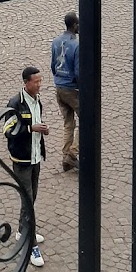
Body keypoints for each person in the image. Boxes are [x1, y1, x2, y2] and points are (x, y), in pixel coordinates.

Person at [3, 66, 49, 268]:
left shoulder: (37, 100)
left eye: (40, 81)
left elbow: (36, 123)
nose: (39, 85)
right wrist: (31, 128)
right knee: (28, 201)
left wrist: (42, 130)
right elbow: (8, 130)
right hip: (22, 161)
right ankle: (30, 245)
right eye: (36, 82)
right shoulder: (15, 104)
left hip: (35, 157)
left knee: (32, 197)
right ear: (26, 83)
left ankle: (22, 231)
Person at [51, 12, 80, 172]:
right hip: (72, 89)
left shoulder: (56, 41)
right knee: (87, 120)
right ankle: (73, 154)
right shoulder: (76, 45)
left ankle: (65, 157)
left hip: (59, 87)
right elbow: (78, 72)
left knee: (68, 123)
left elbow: (53, 65)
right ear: (75, 25)